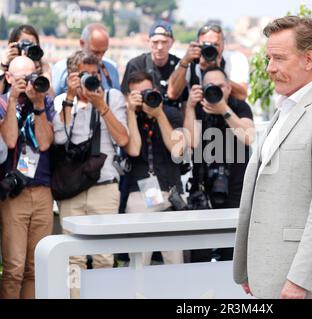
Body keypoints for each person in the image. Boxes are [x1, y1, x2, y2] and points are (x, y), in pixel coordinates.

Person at [233, 16, 312, 299]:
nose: (269, 68)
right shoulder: (284, 109)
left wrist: (299, 281)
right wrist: (251, 268)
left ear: (309, 59)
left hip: (299, 285)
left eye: (278, 58)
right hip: (268, 272)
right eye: (268, 58)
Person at [52, 50, 128, 298]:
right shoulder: (63, 100)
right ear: (72, 76)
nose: (91, 81)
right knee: (73, 259)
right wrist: (71, 98)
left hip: (104, 186)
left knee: (104, 256)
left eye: (95, 75)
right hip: (72, 189)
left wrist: (102, 106)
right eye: (85, 75)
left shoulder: (112, 97)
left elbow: (123, 138)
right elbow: (60, 137)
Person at [184, 66, 254, 262]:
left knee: (233, 252)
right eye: (210, 86)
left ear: (229, 88)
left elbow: (248, 137)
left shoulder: (238, 106)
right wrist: (189, 107)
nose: (216, 90)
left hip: (235, 187)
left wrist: (224, 110)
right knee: (200, 253)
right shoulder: (197, 107)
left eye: (221, 86)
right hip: (203, 188)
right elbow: (192, 142)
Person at [0, 56, 55, 299]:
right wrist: (12, 99)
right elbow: (10, 140)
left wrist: (39, 104)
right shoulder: (2, 104)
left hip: (42, 191)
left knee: (36, 267)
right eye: (20, 78)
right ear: (8, 78)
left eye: (30, 76)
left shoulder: (46, 103)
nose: (26, 83)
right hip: (15, 194)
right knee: (13, 267)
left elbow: (44, 143)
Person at [122, 71, 187, 265]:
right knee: (139, 262)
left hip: (171, 192)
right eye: (138, 94)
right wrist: (131, 113)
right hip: (139, 195)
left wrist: (159, 114)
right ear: (129, 96)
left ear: (156, 90)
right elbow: (133, 149)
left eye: (147, 92)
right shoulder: (126, 116)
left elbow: (177, 150)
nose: (144, 97)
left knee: (175, 261)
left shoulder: (170, 113)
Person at [167, 23, 249, 101]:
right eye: (205, 44)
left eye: (215, 45)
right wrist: (184, 62)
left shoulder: (235, 59)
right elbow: (172, 94)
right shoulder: (190, 61)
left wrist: (217, 71)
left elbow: (242, 95)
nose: (210, 49)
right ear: (197, 43)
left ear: (223, 44)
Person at [52, 23, 120, 96]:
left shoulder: (111, 69)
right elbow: (53, 100)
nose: (100, 57)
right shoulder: (61, 68)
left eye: (104, 52)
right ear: (82, 43)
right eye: (95, 52)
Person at [0, 25, 53, 96]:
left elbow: (50, 97)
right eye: (25, 44)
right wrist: (3, 66)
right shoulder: (5, 65)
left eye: (32, 45)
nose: (28, 49)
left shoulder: (41, 66)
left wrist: (43, 73)